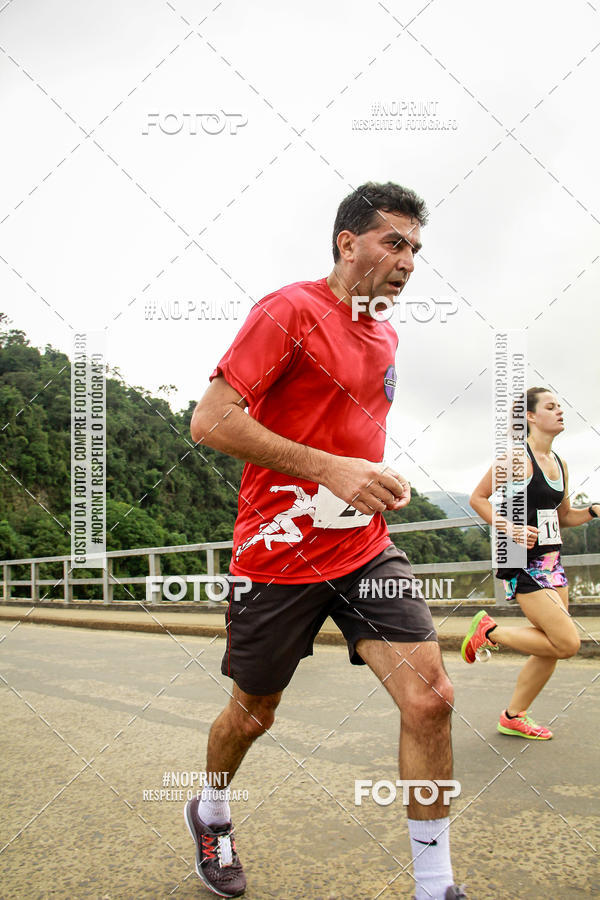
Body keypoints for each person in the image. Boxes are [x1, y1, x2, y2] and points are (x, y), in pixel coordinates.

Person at [185, 182, 465, 899]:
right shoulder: (289, 310)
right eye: (393, 243)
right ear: (348, 243)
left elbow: (347, 434)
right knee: (254, 713)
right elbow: (210, 422)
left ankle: (434, 885)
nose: (408, 261)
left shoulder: (387, 334)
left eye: (415, 249)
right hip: (278, 555)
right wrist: (329, 468)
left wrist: (372, 478)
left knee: (431, 698)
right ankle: (210, 811)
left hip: (364, 548)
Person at [465, 387, 597, 739]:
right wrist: (511, 528)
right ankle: (488, 632)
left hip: (552, 562)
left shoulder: (560, 463)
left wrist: (593, 510)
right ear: (531, 416)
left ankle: (513, 716)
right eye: (551, 406)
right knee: (567, 644)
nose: (560, 411)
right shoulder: (515, 459)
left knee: (550, 647)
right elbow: (478, 498)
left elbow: (564, 516)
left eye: (560, 406)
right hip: (523, 561)